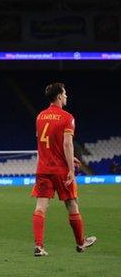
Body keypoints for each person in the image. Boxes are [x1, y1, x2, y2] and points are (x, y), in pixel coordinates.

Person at [31, 83, 96, 257]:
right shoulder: (67, 117)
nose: (66, 96)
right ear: (59, 96)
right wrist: (70, 169)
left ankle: (39, 246)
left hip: (43, 168)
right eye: (65, 93)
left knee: (40, 207)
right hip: (60, 170)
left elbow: (43, 143)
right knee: (72, 204)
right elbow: (67, 143)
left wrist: (65, 157)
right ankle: (81, 243)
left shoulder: (40, 117)